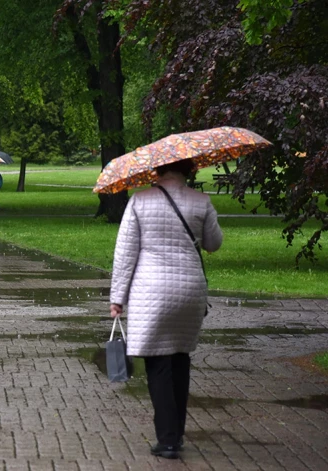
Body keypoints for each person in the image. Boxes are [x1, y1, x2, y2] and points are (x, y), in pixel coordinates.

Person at [109, 158, 223, 460]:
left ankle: (168, 440)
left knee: (158, 363)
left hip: (152, 293)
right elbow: (214, 243)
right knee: (180, 358)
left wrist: (117, 298)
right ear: (188, 170)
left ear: (156, 170)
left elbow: (125, 254)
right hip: (190, 292)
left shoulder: (140, 202)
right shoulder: (201, 201)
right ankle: (177, 433)